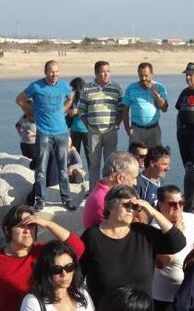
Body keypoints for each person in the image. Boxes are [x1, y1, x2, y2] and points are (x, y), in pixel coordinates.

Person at [80, 184, 186, 311]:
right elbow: (77, 278)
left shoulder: (143, 233)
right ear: (109, 206)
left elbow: (177, 242)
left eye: (134, 207)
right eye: (126, 205)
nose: (131, 210)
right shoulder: (92, 237)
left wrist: (151, 210)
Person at [16, 60, 76, 211]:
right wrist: (30, 112)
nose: (54, 74)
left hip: (62, 132)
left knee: (63, 168)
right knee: (41, 169)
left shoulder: (63, 85)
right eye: (51, 71)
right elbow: (20, 99)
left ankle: (66, 199)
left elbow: (71, 97)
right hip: (44, 133)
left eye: (57, 71)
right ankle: (40, 200)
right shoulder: (36, 86)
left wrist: (64, 109)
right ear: (45, 72)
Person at [78, 60, 124, 186]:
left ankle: (110, 190)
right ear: (96, 73)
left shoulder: (116, 87)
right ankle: (93, 190)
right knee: (94, 164)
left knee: (111, 164)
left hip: (110, 130)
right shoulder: (87, 88)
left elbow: (121, 109)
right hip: (93, 132)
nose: (106, 75)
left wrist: (116, 125)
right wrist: (86, 124)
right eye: (103, 72)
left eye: (108, 72)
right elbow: (81, 109)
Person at [81, 151, 138, 229]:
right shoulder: (105, 200)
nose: (135, 183)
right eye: (134, 177)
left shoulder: (101, 190)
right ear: (120, 178)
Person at [121, 62, 169, 148]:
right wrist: (127, 128)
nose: (143, 78)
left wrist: (155, 93)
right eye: (141, 75)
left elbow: (164, 108)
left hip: (154, 129)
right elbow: (125, 109)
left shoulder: (159, 87)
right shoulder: (131, 88)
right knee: (136, 159)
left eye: (146, 75)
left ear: (152, 74)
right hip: (136, 130)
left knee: (155, 158)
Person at [67, 77, 90, 167]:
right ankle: (76, 176)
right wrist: (71, 111)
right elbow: (66, 110)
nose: (72, 90)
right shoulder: (72, 99)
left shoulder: (87, 97)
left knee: (90, 156)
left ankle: (92, 178)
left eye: (74, 88)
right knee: (74, 155)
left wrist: (77, 111)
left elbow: (92, 111)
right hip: (74, 129)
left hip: (87, 130)